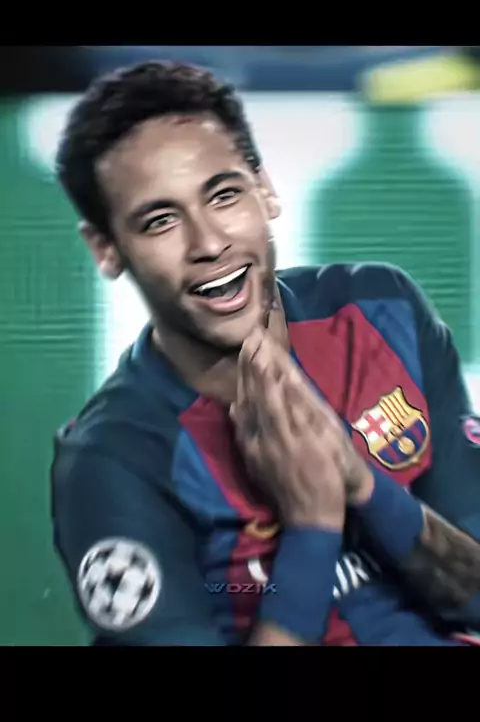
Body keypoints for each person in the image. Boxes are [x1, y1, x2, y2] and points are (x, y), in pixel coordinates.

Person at [51, 60, 480, 646]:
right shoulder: (112, 462)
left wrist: (363, 486)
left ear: (265, 189)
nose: (209, 244)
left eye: (224, 195)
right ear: (106, 249)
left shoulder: (382, 310)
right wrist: (311, 525)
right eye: (160, 221)